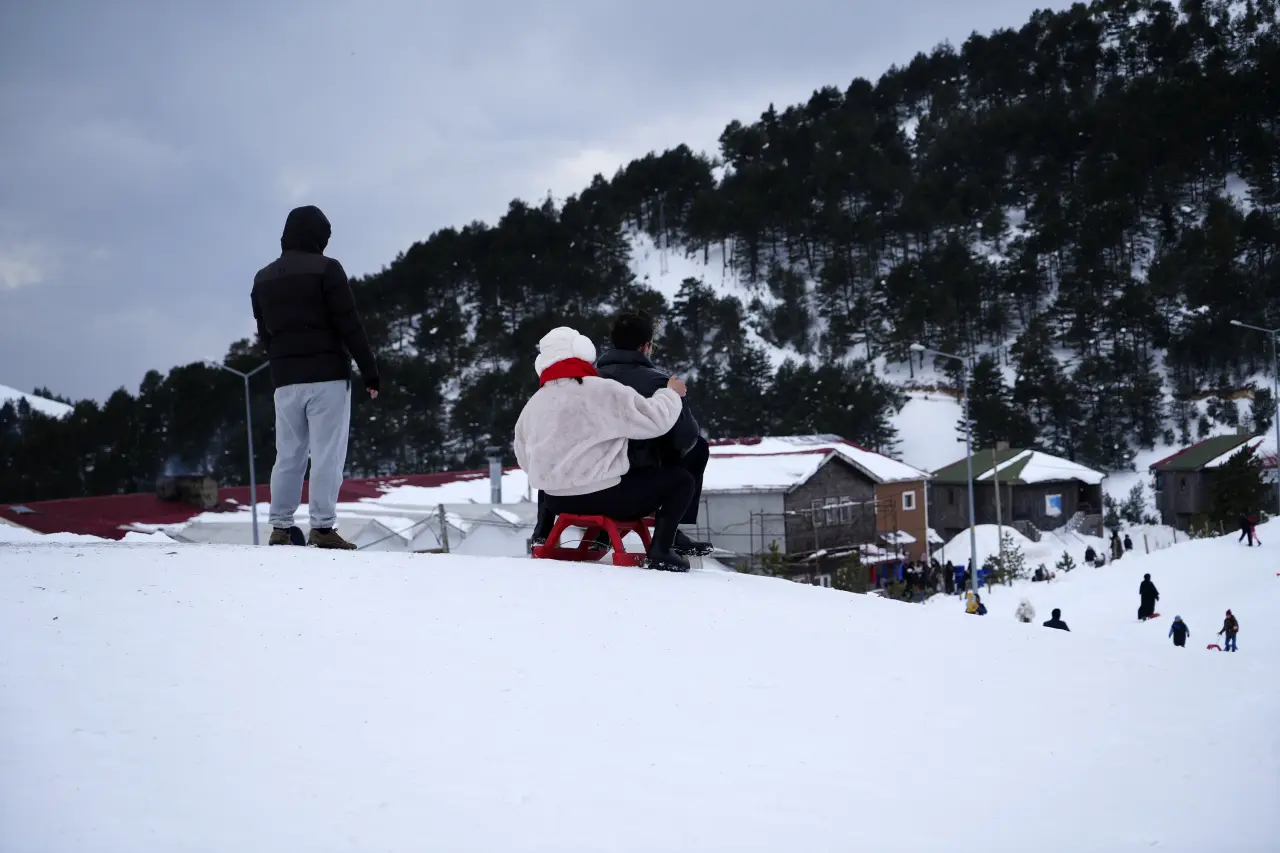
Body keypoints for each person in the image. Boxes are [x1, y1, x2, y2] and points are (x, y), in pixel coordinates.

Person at [514, 326, 695, 572]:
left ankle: (552, 533)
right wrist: (671, 394)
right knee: (681, 481)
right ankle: (662, 550)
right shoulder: (599, 390)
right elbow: (654, 421)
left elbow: (525, 460)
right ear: (583, 351)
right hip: (606, 498)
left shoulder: (533, 404)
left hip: (556, 502)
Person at [252, 205, 378, 550]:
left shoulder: (262, 278)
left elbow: (265, 333)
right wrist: (370, 371)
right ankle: (322, 528)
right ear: (319, 237)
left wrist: (282, 363)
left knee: (288, 454)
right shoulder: (327, 269)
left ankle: (280, 526)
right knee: (326, 455)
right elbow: (349, 323)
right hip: (327, 379)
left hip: (285, 381)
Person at [593, 310, 712, 556]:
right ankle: (670, 528)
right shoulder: (658, 383)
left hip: (587, 481)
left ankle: (600, 532)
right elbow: (686, 437)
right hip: (634, 484)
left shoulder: (587, 379)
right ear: (646, 347)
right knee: (697, 447)